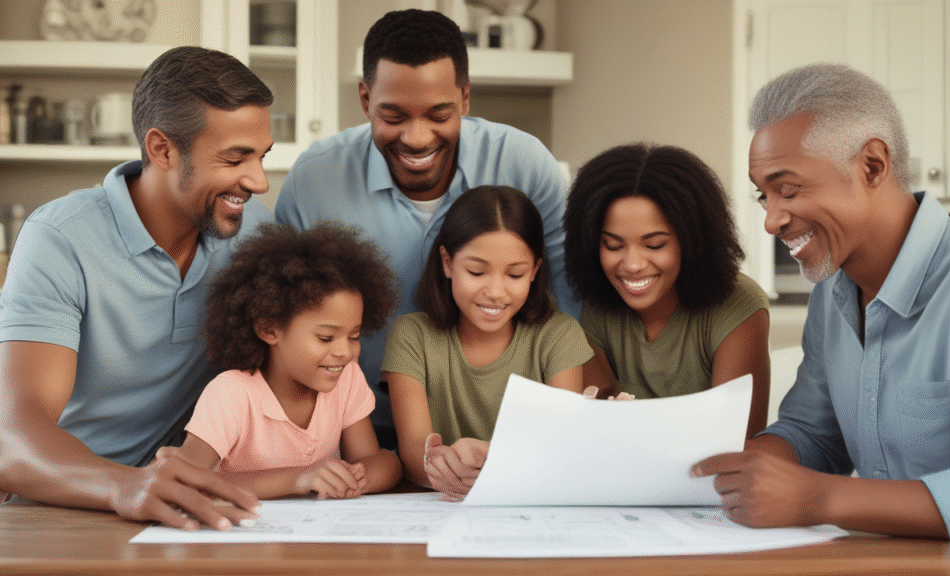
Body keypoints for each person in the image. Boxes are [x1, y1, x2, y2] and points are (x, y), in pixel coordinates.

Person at [692, 63, 950, 547]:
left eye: (789, 189)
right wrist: (723, 472)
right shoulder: (834, 289)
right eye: (764, 196)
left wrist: (819, 499)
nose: (771, 220)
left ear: (872, 165)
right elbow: (814, 434)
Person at [274, 9, 577, 450]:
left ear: (466, 98)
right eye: (393, 116)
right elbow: (282, 314)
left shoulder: (526, 165)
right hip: (351, 433)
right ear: (365, 100)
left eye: (439, 114)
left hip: (499, 430)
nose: (417, 138)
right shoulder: (315, 178)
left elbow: (567, 298)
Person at [0, 46, 275, 531]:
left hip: (185, 503)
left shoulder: (251, 238)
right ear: (161, 149)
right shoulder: (59, 239)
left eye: (261, 156)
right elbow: (13, 433)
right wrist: (123, 485)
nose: (258, 181)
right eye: (236, 158)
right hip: (68, 501)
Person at [381, 186, 592, 499]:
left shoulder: (559, 335)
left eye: (515, 275)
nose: (496, 291)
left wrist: (487, 458)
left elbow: (560, 447)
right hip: (440, 504)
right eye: (477, 271)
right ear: (447, 262)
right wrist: (448, 468)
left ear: (535, 271)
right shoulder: (411, 336)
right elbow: (416, 458)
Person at [174, 222, 402, 499]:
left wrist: (356, 479)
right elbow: (185, 479)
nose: (345, 352)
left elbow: (378, 461)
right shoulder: (231, 394)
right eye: (326, 338)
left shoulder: (346, 378)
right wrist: (298, 480)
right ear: (270, 329)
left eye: (354, 336)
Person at [563, 143, 771, 437]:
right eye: (613, 245)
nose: (633, 265)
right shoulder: (590, 306)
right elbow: (598, 427)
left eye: (655, 245)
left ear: (693, 239)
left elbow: (736, 441)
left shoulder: (739, 303)